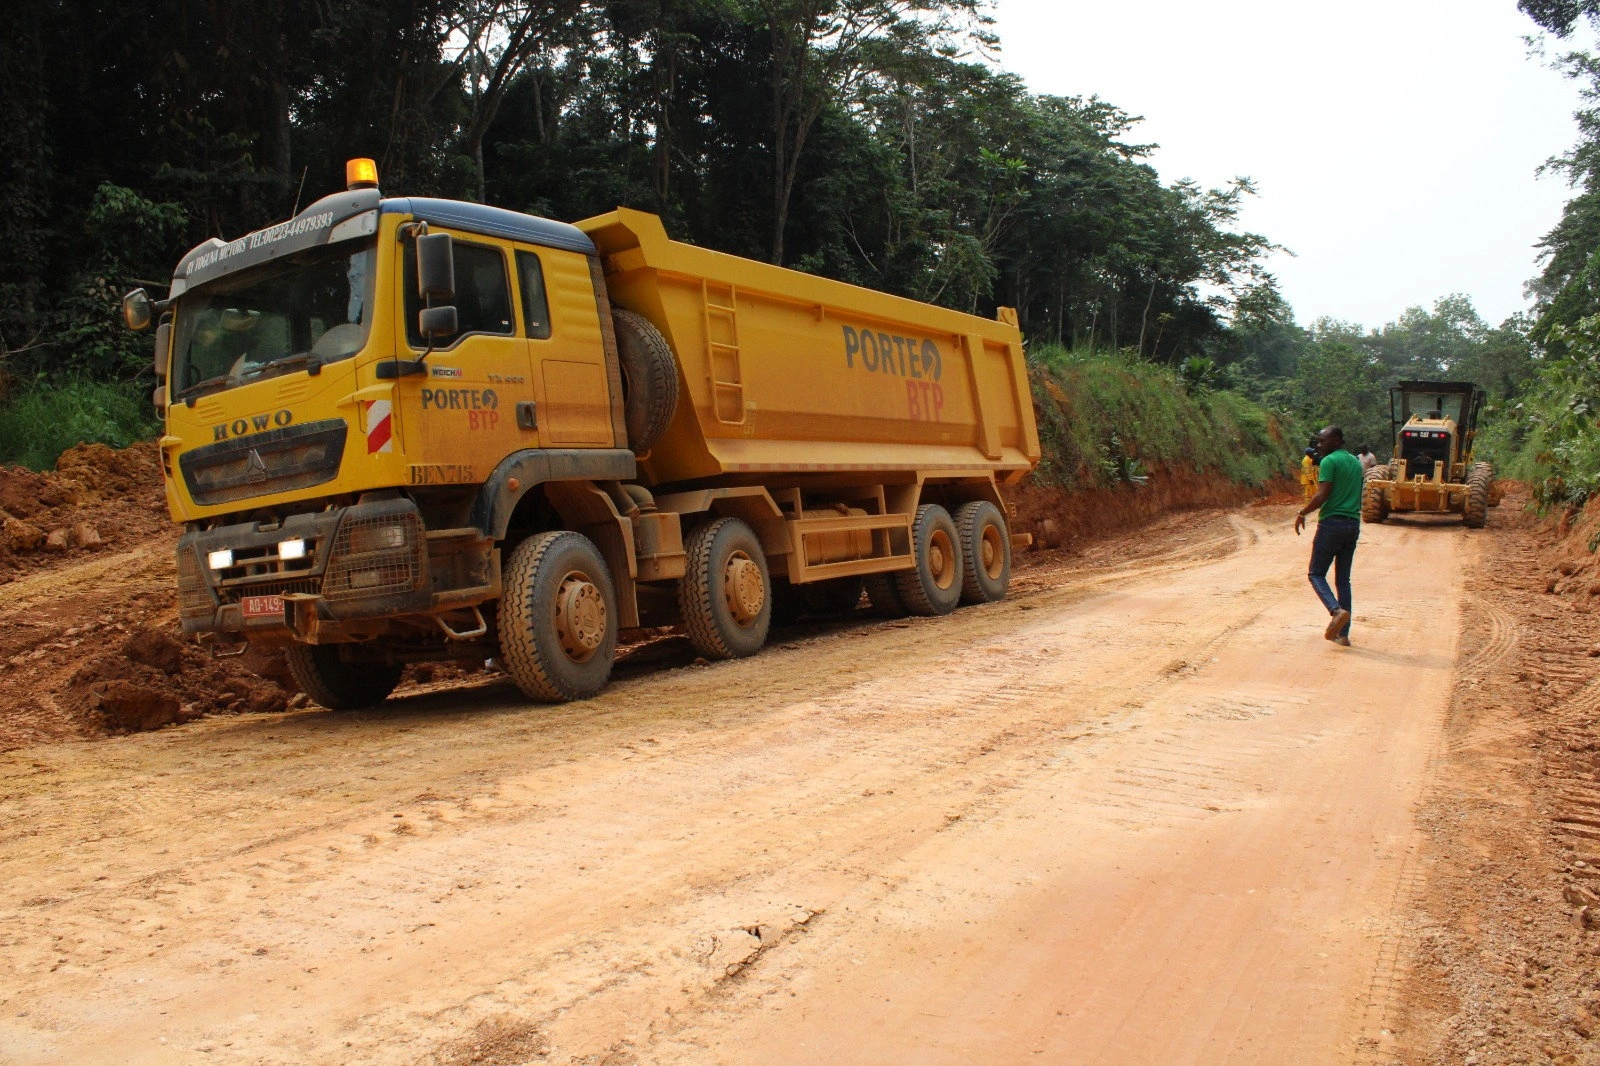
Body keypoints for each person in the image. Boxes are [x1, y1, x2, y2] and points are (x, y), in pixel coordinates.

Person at [1294, 425, 1363, 646]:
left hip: (1332, 523)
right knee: (1343, 579)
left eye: (1323, 441)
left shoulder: (1329, 462)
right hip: (1353, 524)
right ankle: (1343, 634)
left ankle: (1335, 611)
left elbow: (1323, 494)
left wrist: (1302, 512)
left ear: (1336, 441)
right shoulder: (1355, 461)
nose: (1319, 445)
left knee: (1315, 573)